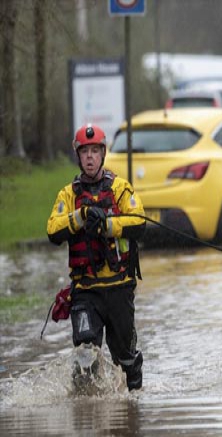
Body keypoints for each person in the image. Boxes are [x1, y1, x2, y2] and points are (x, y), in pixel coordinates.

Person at [47, 124, 146, 390]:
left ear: (103, 154)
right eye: (84, 152)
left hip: (119, 289)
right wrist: (80, 217)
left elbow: (139, 223)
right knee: (85, 355)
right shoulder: (67, 195)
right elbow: (53, 231)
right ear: (78, 156)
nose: (89, 157)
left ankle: (132, 410)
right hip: (86, 292)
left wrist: (107, 224)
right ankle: (88, 415)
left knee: (126, 360)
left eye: (94, 151)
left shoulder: (121, 188)